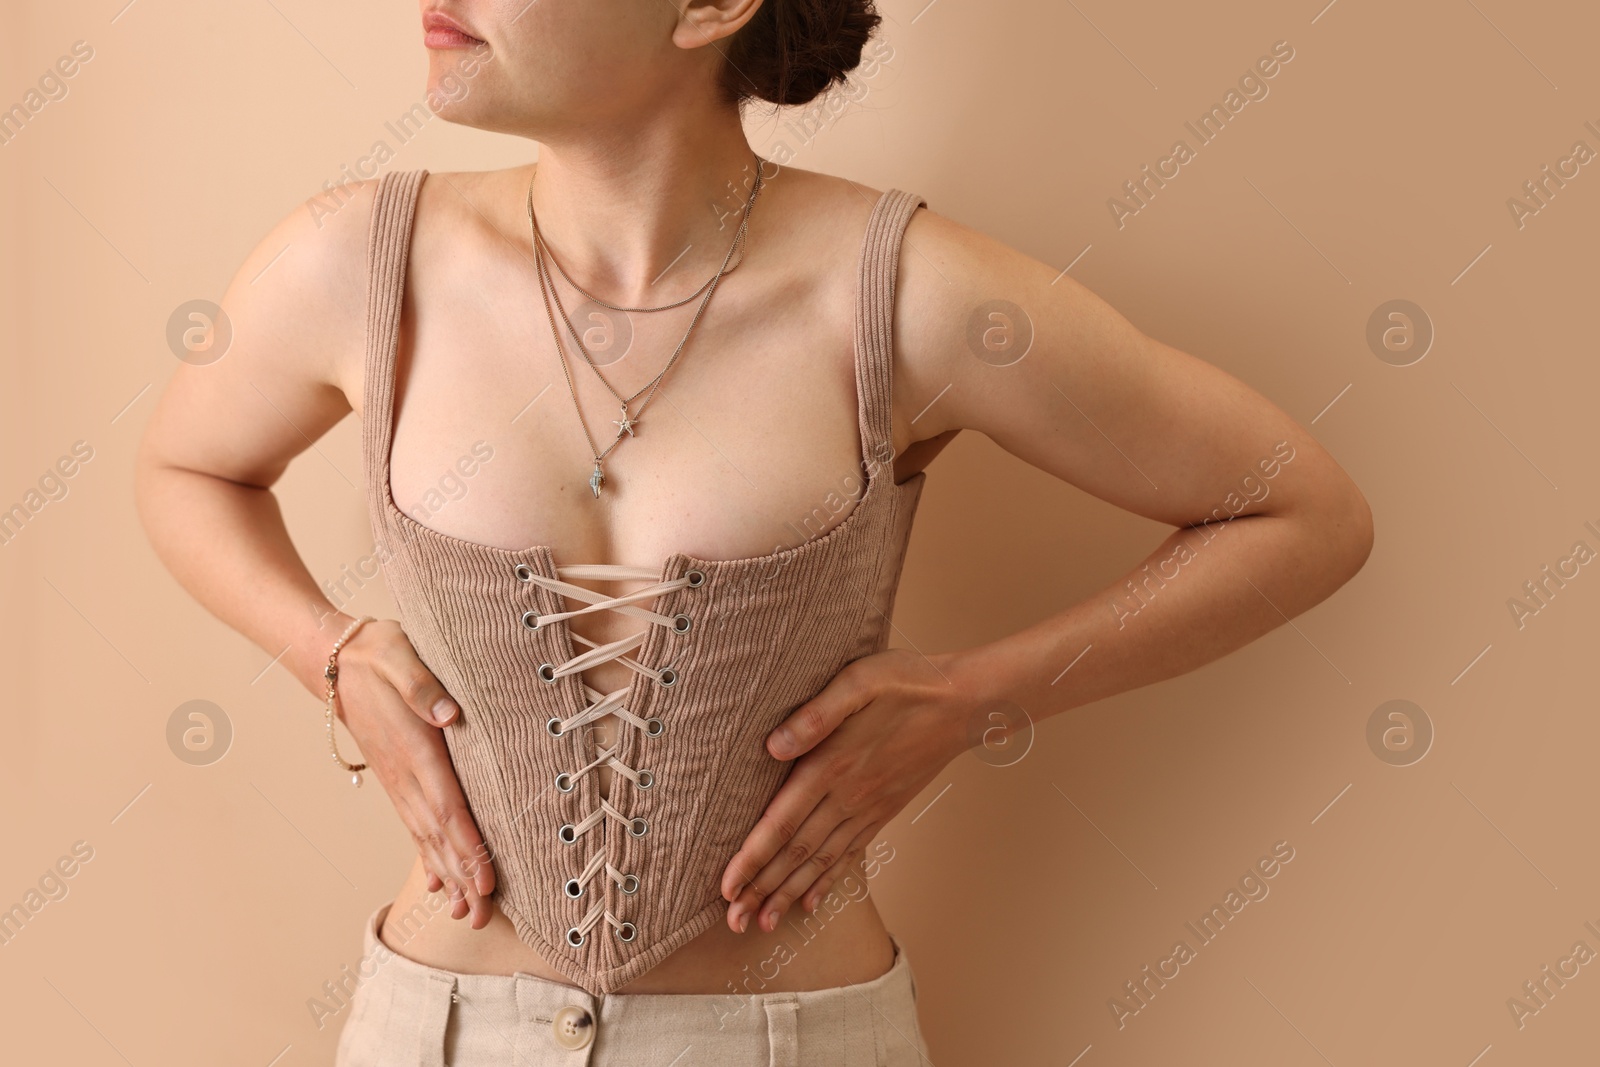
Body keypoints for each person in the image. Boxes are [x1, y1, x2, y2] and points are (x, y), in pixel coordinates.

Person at [132, 1, 1374, 1063]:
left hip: (787, 1034)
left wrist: (976, 694)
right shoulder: (356, 261)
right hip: (439, 1028)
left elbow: (1299, 510)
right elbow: (186, 466)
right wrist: (329, 650)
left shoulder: (904, 292)